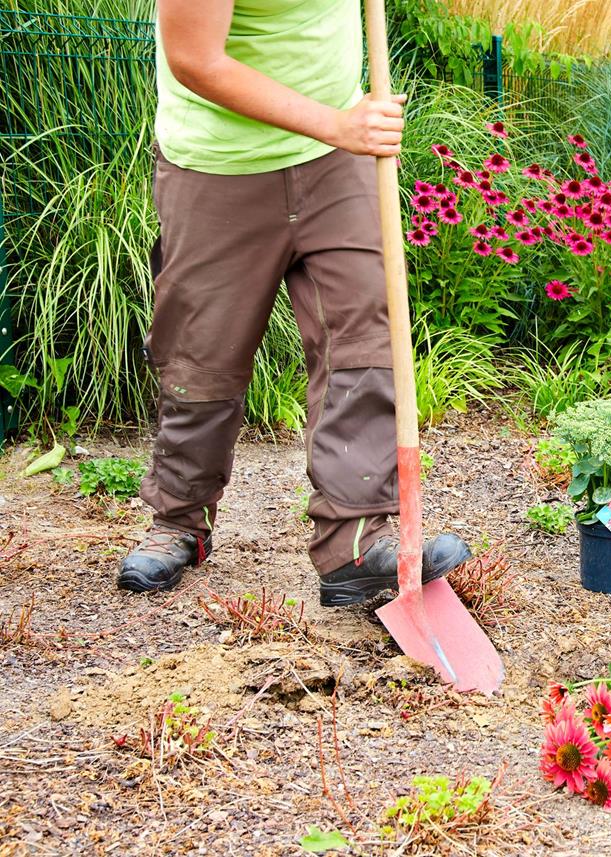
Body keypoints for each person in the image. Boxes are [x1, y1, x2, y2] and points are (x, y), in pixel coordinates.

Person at [118, 0, 469, 606]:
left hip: (336, 164)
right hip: (221, 167)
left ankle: (355, 544)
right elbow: (194, 60)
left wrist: (342, 136)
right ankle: (178, 519)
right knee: (203, 353)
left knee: (364, 337)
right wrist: (338, 125)